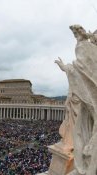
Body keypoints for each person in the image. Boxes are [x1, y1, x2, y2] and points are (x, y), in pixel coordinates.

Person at [56, 25, 97, 175]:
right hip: (90, 108)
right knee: (81, 134)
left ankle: (86, 167)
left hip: (92, 107)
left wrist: (65, 68)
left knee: (81, 135)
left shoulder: (86, 50)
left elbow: (79, 72)